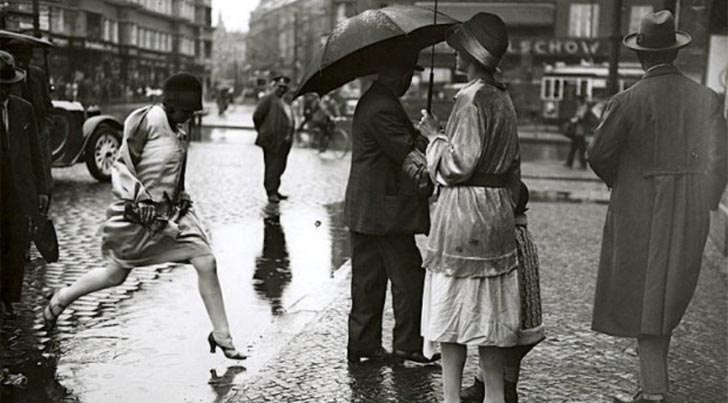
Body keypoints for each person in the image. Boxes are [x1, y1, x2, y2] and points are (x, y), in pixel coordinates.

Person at [41, 72, 246, 360]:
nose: (188, 117)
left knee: (206, 261)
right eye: (185, 111)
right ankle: (61, 299)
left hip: (174, 211)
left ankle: (222, 335)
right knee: (115, 275)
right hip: (137, 214)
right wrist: (141, 204)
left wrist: (181, 199)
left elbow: (176, 175)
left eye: (192, 112)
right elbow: (122, 165)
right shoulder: (145, 120)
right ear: (169, 104)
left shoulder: (180, 129)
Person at [588, 10, 727, 403]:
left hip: (640, 205)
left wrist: (625, 180)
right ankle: (653, 382)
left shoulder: (627, 101)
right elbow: (720, 157)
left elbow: (598, 154)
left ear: (640, 56)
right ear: (677, 54)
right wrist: (706, 199)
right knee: (668, 291)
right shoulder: (707, 99)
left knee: (643, 290)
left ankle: (654, 390)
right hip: (691, 207)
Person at [418, 13, 521, 403]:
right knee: (490, 326)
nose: (456, 56)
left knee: (452, 322)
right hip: (496, 217)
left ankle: (450, 399)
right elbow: (511, 165)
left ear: (471, 54)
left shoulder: (470, 97)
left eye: (460, 50)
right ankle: (495, 397)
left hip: (463, 221)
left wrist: (433, 137)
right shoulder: (504, 97)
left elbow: (457, 165)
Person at [344, 42, 437, 365]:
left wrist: (418, 133)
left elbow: (397, 140)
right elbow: (404, 151)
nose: (410, 81)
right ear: (396, 74)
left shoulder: (375, 100)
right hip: (385, 211)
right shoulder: (383, 105)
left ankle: (363, 343)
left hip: (367, 209)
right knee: (409, 278)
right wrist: (429, 137)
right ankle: (408, 345)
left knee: (368, 279)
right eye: (409, 74)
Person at [461, 182, 545, 403]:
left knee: (496, 347)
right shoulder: (524, 235)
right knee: (510, 356)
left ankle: (496, 388)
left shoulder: (507, 238)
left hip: (514, 316)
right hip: (530, 320)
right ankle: (498, 387)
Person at [0, 51, 49, 316]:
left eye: (9, 86)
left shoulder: (23, 109)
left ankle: (8, 298)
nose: (5, 92)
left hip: (19, 190)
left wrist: (41, 188)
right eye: (1, 87)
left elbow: (35, 153)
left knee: (17, 243)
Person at [5, 39, 54, 193]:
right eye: (19, 57)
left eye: (26, 57)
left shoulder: (37, 75)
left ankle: (43, 204)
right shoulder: (7, 77)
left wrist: (46, 125)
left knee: (43, 172)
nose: (22, 61)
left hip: (39, 132)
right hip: (17, 134)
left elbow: (47, 103)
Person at [253, 76, 294, 204]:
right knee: (272, 166)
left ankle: (275, 190)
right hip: (272, 140)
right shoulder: (268, 99)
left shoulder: (285, 101)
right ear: (274, 86)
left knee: (280, 166)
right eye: (279, 87)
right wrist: (265, 131)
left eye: (284, 88)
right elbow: (257, 116)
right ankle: (271, 192)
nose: (282, 90)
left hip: (285, 141)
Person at [564, 94, 590, 169]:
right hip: (577, 131)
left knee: (580, 148)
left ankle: (582, 164)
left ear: (580, 101)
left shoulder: (584, 107)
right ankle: (570, 163)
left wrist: (573, 120)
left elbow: (581, 118)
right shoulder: (580, 107)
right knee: (574, 147)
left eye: (578, 101)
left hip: (580, 131)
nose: (576, 102)